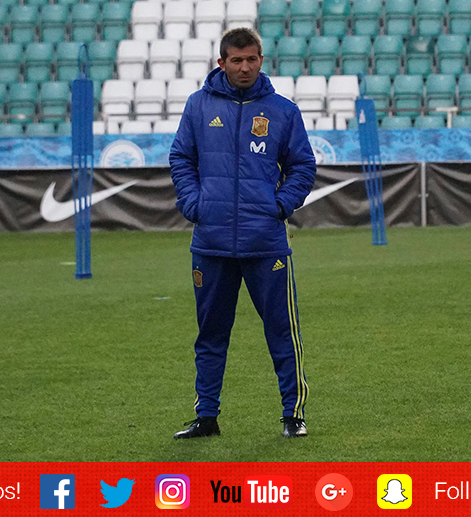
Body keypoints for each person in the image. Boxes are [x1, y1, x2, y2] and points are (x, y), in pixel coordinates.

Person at [169, 28, 317, 439]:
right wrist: (194, 205)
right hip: (211, 242)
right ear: (222, 63)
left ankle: (293, 415)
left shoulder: (282, 111)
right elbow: (181, 156)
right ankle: (207, 417)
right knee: (210, 335)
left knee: (282, 331)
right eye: (236, 60)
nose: (245, 67)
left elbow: (303, 166)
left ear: (261, 59)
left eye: (252, 59)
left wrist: (279, 206)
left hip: (264, 242)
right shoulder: (199, 107)